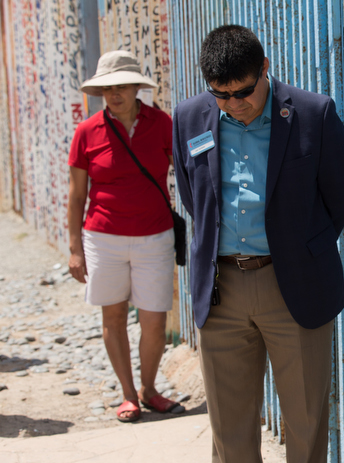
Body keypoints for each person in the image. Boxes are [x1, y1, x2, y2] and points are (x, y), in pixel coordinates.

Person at [172, 25, 344, 463]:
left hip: (293, 284)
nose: (235, 103)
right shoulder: (189, 117)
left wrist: (301, 249)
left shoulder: (314, 113)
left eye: (244, 91)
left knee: (306, 421)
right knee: (229, 428)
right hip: (221, 291)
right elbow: (192, 194)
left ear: (265, 70)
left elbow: (342, 195)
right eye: (222, 94)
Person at [68, 50, 185, 423]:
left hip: (155, 236)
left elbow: (185, 172)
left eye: (121, 86)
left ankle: (150, 389)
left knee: (154, 320)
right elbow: (76, 195)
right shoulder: (86, 132)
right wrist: (75, 249)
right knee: (113, 316)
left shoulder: (162, 123)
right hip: (103, 238)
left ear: (138, 87)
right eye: (107, 88)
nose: (114, 94)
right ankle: (129, 395)